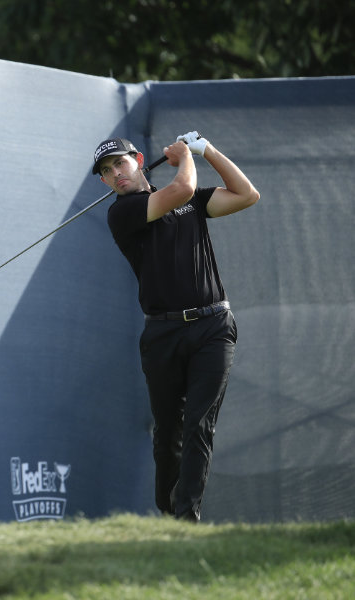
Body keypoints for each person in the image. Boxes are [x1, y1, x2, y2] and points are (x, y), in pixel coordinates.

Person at [92, 132, 259, 522]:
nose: (115, 174)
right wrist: (186, 154)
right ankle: (168, 516)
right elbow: (183, 187)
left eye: (120, 163)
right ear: (103, 182)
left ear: (136, 159)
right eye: (106, 171)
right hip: (163, 335)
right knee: (168, 437)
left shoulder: (194, 203)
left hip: (214, 327)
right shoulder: (123, 213)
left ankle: (186, 520)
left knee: (199, 424)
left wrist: (209, 151)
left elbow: (247, 194)